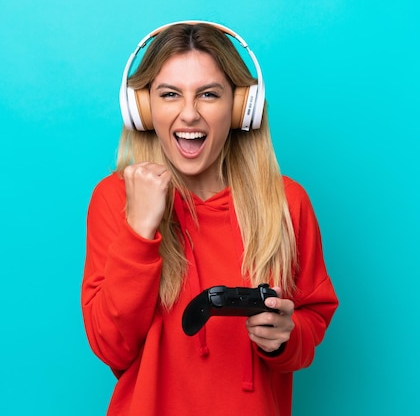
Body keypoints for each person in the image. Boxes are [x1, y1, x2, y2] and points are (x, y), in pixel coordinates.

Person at [81, 21, 338, 416]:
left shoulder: (286, 203)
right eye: (169, 95)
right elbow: (110, 346)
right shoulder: (116, 199)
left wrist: (285, 337)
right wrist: (139, 230)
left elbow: (311, 318)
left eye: (208, 94)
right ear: (143, 109)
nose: (189, 114)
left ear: (240, 108)